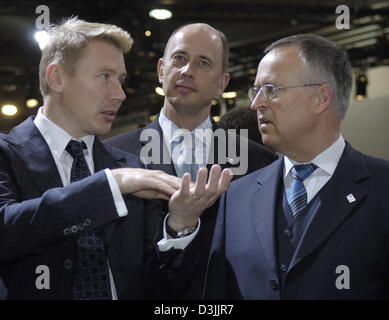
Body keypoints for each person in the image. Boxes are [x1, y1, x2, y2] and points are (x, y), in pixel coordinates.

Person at [0, 17, 231, 300]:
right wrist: (108, 186)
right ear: (56, 78)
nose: (120, 94)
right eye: (105, 77)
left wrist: (178, 226)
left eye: (120, 80)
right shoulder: (7, 154)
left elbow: (159, 289)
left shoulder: (131, 167)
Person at [204, 34, 389, 299]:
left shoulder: (382, 188)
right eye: (255, 91)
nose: (256, 103)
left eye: (271, 90)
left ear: (321, 98)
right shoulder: (234, 198)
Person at [105, 23, 277, 299]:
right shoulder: (111, 158)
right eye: (180, 59)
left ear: (222, 83)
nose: (187, 71)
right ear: (161, 70)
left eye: (203, 63)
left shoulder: (260, 162)